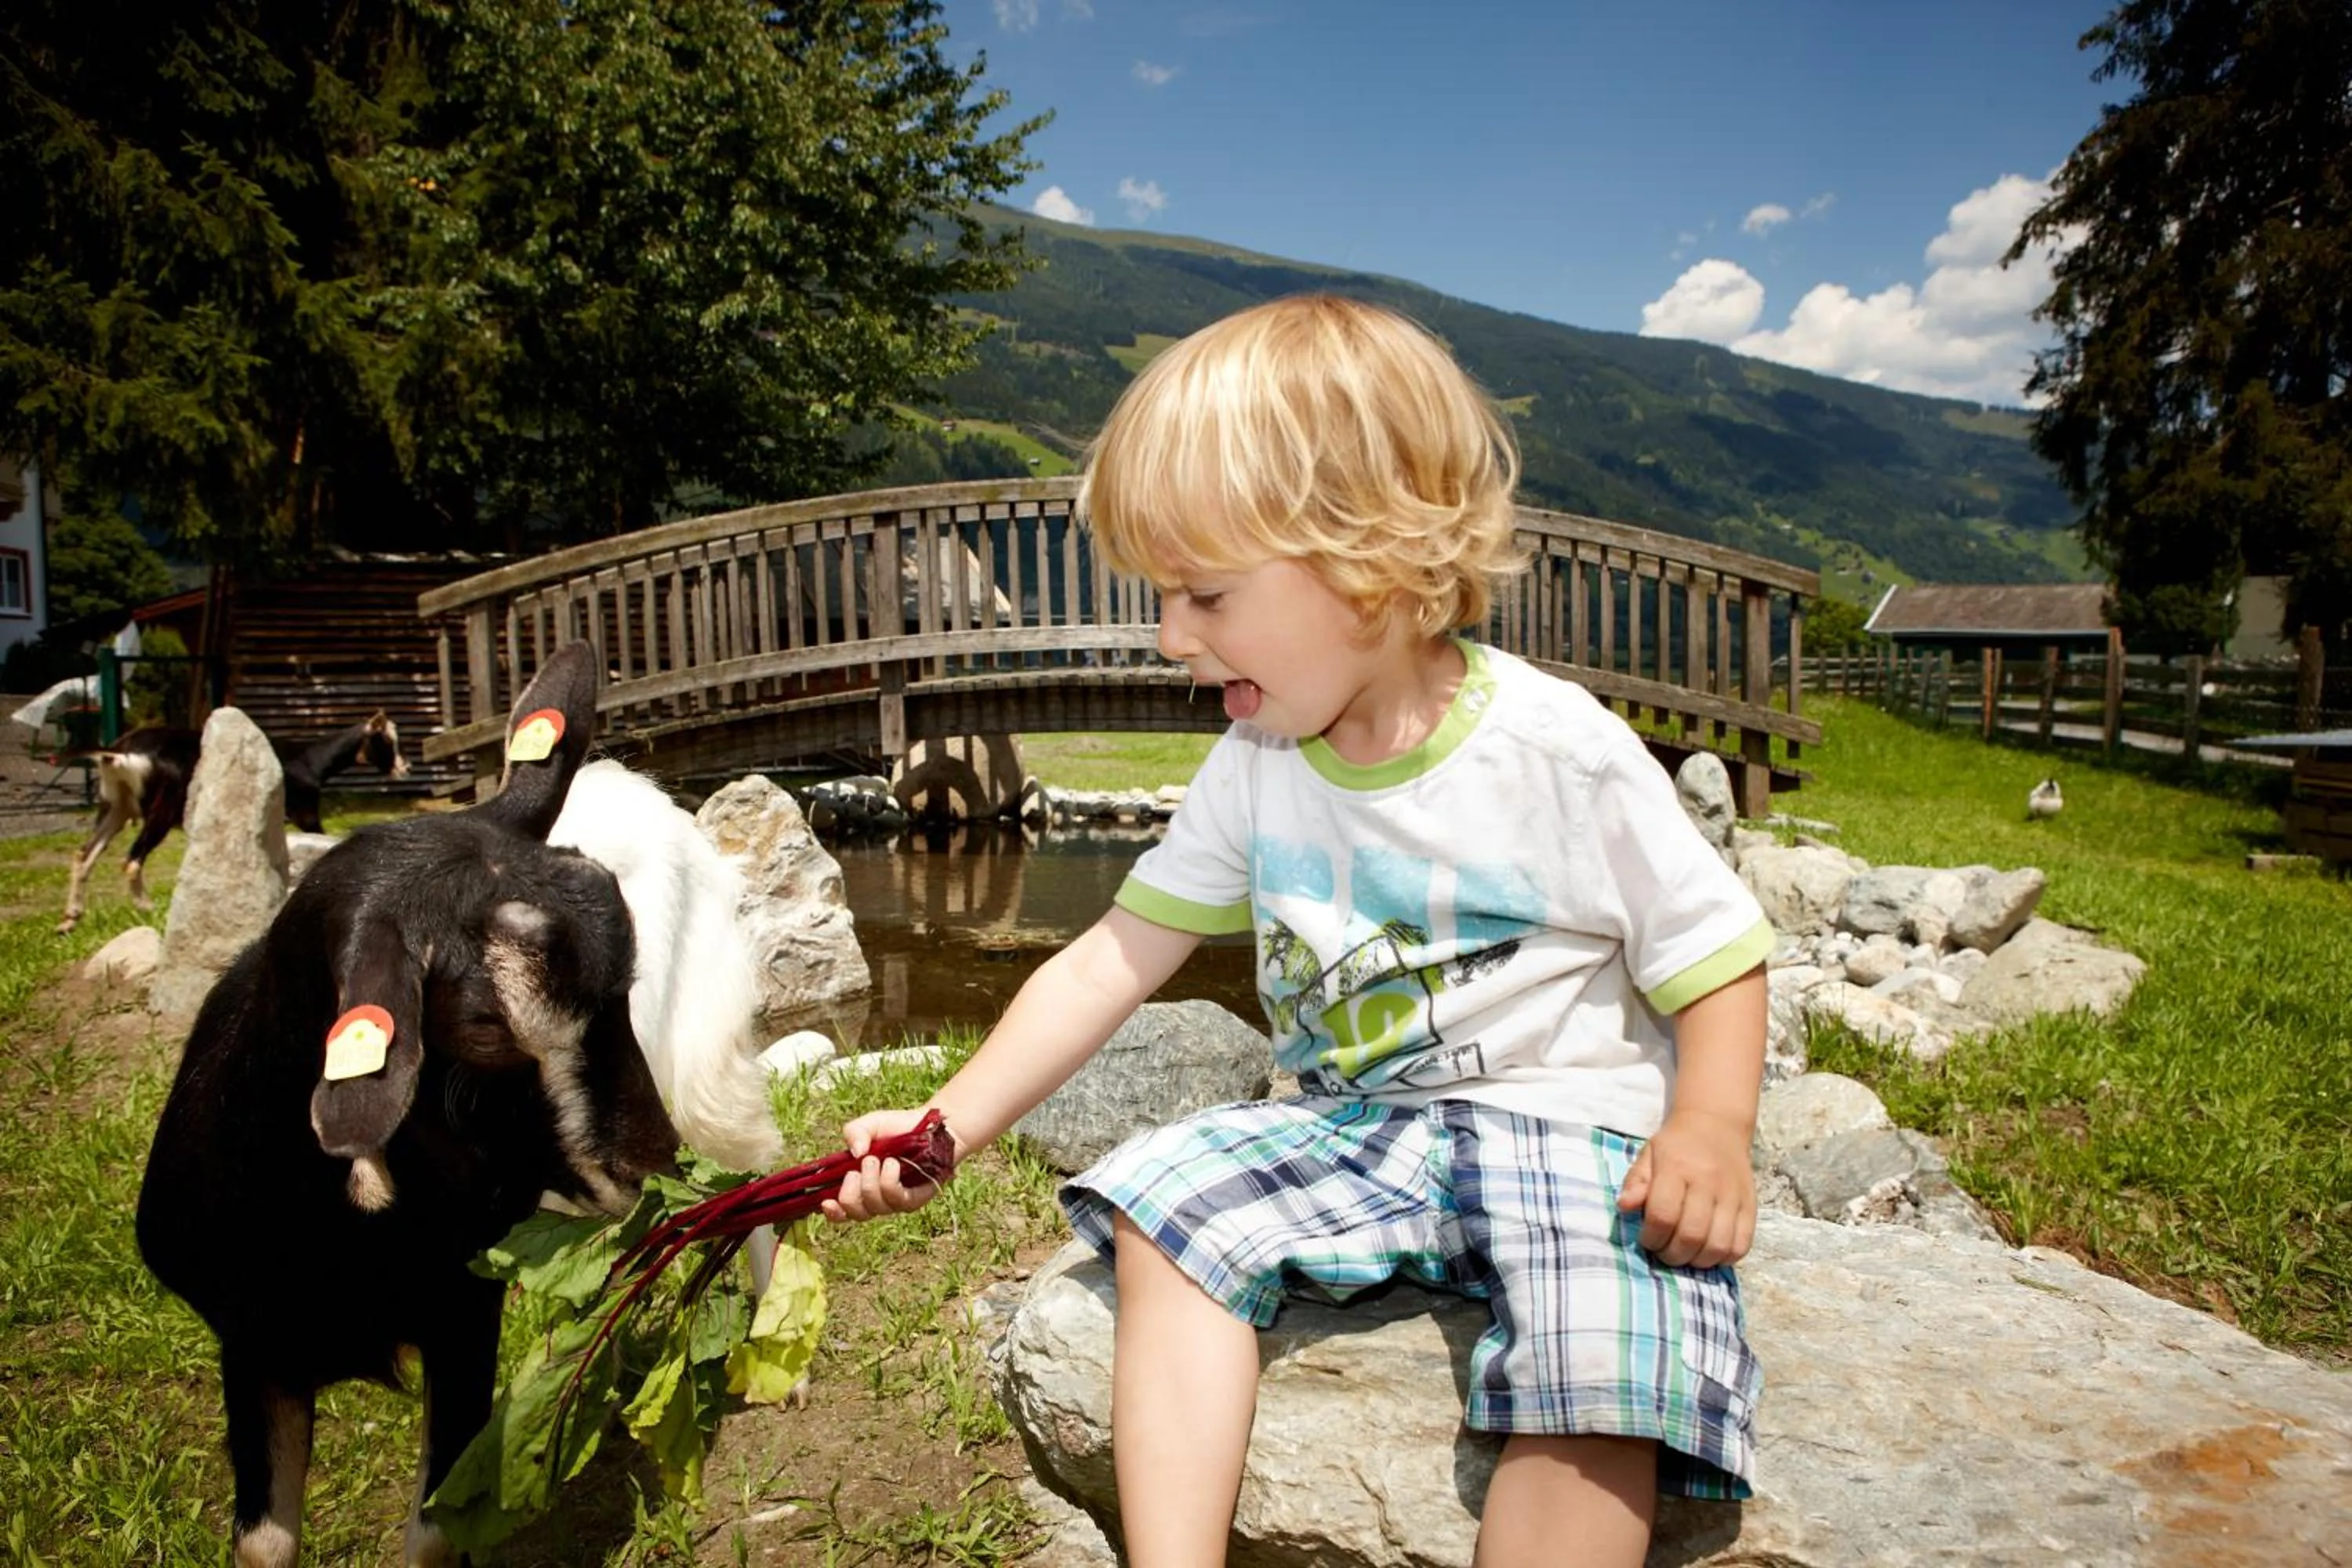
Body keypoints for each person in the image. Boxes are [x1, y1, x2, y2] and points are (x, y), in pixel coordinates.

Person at [823, 293, 1770, 1567]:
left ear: (1370, 559)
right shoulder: (1256, 763)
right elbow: (1111, 958)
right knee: (1165, 1213)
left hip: (1568, 1129)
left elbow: (1714, 953)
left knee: (1603, 1362)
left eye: (1206, 594)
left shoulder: (1559, 751)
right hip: (1359, 1126)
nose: (1170, 639)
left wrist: (1708, 1126)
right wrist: (949, 1123)